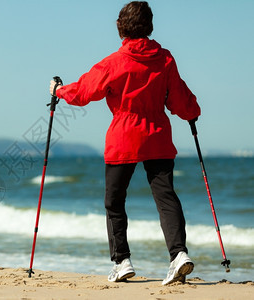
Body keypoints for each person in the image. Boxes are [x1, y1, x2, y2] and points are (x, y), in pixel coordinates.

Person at [49, 1, 200, 285]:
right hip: (157, 135)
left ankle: (121, 261)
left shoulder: (114, 63)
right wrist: (193, 112)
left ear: (121, 27)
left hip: (124, 137)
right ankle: (179, 254)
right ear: (149, 26)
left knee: (114, 201)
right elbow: (178, 98)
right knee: (166, 196)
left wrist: (59, 90)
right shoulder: (165, 59)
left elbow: (83, 92)